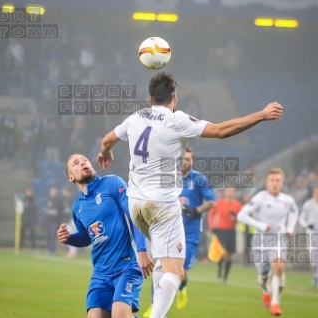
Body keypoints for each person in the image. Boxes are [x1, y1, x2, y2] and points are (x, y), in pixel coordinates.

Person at [97, 72, 283, 318]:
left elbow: (107, 139)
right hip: (162, 205)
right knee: (176, 272)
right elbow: (220, 131)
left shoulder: (135, 118)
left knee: (164, 263)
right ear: (175, 97)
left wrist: (105, 151)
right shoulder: (177, 120)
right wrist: (261, 115)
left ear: (149, 98)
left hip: (136, 205)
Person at [57, 154, 153, 318]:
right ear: (71, 177)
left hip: (128, 265)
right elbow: (87, 238)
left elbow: (133, 217)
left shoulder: (112, 183)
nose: (83, 163)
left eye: (85, 160)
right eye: (76, 163)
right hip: (101, 273)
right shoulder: (78, 207)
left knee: (119, 315)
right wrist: (69, 238)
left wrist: (142, 251)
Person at [143, 146, 215, 316]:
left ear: (193, 161)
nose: (184, 162)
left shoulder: (199, 179)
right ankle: (156, 308)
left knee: (180, 273)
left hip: (189, 233)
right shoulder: (167, 178)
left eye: (188, 159)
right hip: (167, 233)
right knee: (160, 268)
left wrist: (196, 210)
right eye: (182, 158)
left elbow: (211, 202)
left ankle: (182, 289)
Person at [237, 168, 298, 316]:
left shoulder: (287, 200)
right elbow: (241, 216)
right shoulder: (260, 198)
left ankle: (275, 303)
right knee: (263, 275)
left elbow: (295, 212)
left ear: (282, 183)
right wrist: (261, 226)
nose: (275, 183)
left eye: (278, 180)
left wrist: (289, 228)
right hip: (260, 242)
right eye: (272, 180)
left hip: (278, 239)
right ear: (267, 183)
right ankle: (265, 289)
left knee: (278, 266)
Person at [207, 187, 242, 283]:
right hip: (221, 230)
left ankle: (225, 276)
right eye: (228, 191)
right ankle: (219, 268)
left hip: (231, 231)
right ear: (225, 192)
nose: (230, 193)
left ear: (234, 193)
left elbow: (242, 217)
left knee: (230, 255)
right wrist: (212, 226)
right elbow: (211, 214)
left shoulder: (237, 205)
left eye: (232, 191)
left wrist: (236, 217)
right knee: (223, 252)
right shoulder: (219, 203)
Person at [298, 184, 318, 287]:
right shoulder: (308, 204)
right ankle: (315, 276)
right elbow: (301, 218)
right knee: (314, 259)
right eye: (316, 192)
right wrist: (307, 225)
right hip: (311, 234)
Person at [45, 186, 63, 255]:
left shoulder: (59, 201)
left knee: (52, 235)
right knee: (48, 235)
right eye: (51, 192)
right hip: (48, 220)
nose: (52, 193)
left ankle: (51, 250)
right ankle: (49, 248)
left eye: (54, 192)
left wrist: (59, 221)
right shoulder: (48, 200)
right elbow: (46, 211)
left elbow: (60, 212)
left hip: (55, 221)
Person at [61, 185, 78, 258]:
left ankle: (73, 252)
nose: (63, 192)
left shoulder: (73, 198)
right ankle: (72, 251)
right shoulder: (66, 199)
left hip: (73, 220)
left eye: (64, 191)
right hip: (69, 220)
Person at [20, 187, 37, 251]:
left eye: (30, 191)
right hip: (24, 219)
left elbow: (34, 210)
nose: (29, 193)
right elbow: (21, 211)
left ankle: (34, 248)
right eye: (28, 191)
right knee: (21, 233)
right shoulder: (23, 199)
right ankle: (20, 247)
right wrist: (21, 220)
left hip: (31, 220)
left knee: (32, 234)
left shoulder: (33, 200)